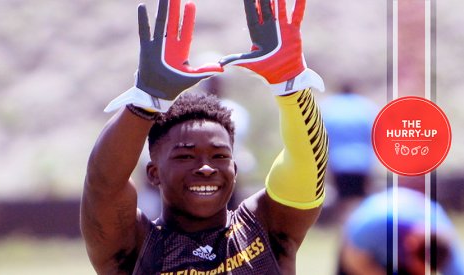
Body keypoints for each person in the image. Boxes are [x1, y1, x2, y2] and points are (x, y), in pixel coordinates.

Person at [80, 0, 326, 274]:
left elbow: (308, 163)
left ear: (234, 167)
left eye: (220, 155)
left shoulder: (267, 227)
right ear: (153, 173)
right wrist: (144, 102)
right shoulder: (134, 248)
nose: (206, 168)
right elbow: (102, 185)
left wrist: (291, 87)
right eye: (185, 156)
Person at [338, 187, 464, 275]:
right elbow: (352, 259)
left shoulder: (444, 248)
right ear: (411, 244)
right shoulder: (373, 225)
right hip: (359, 250)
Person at [319, 83, 379, 222]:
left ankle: (344, 228)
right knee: (361, 200)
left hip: (338, 161)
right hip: (362, 161)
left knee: (342, 199)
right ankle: (358, 227)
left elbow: (322, 135)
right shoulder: (365, 107)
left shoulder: (329, 107)